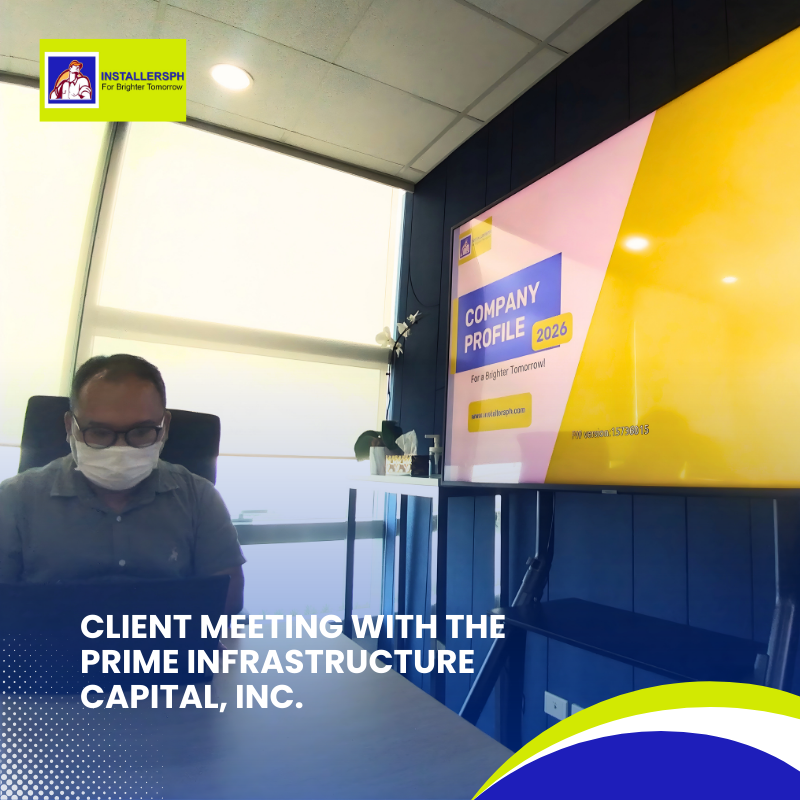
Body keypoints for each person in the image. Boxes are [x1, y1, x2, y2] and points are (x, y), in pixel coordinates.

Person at [0, 354, 245, 613]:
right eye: (99, 432)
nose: (120, 449)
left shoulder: (200, 497)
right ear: (70, 426)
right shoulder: (14, 500)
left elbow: (227, 600)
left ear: (165, 427)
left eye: (141, 432)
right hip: (48, 638)